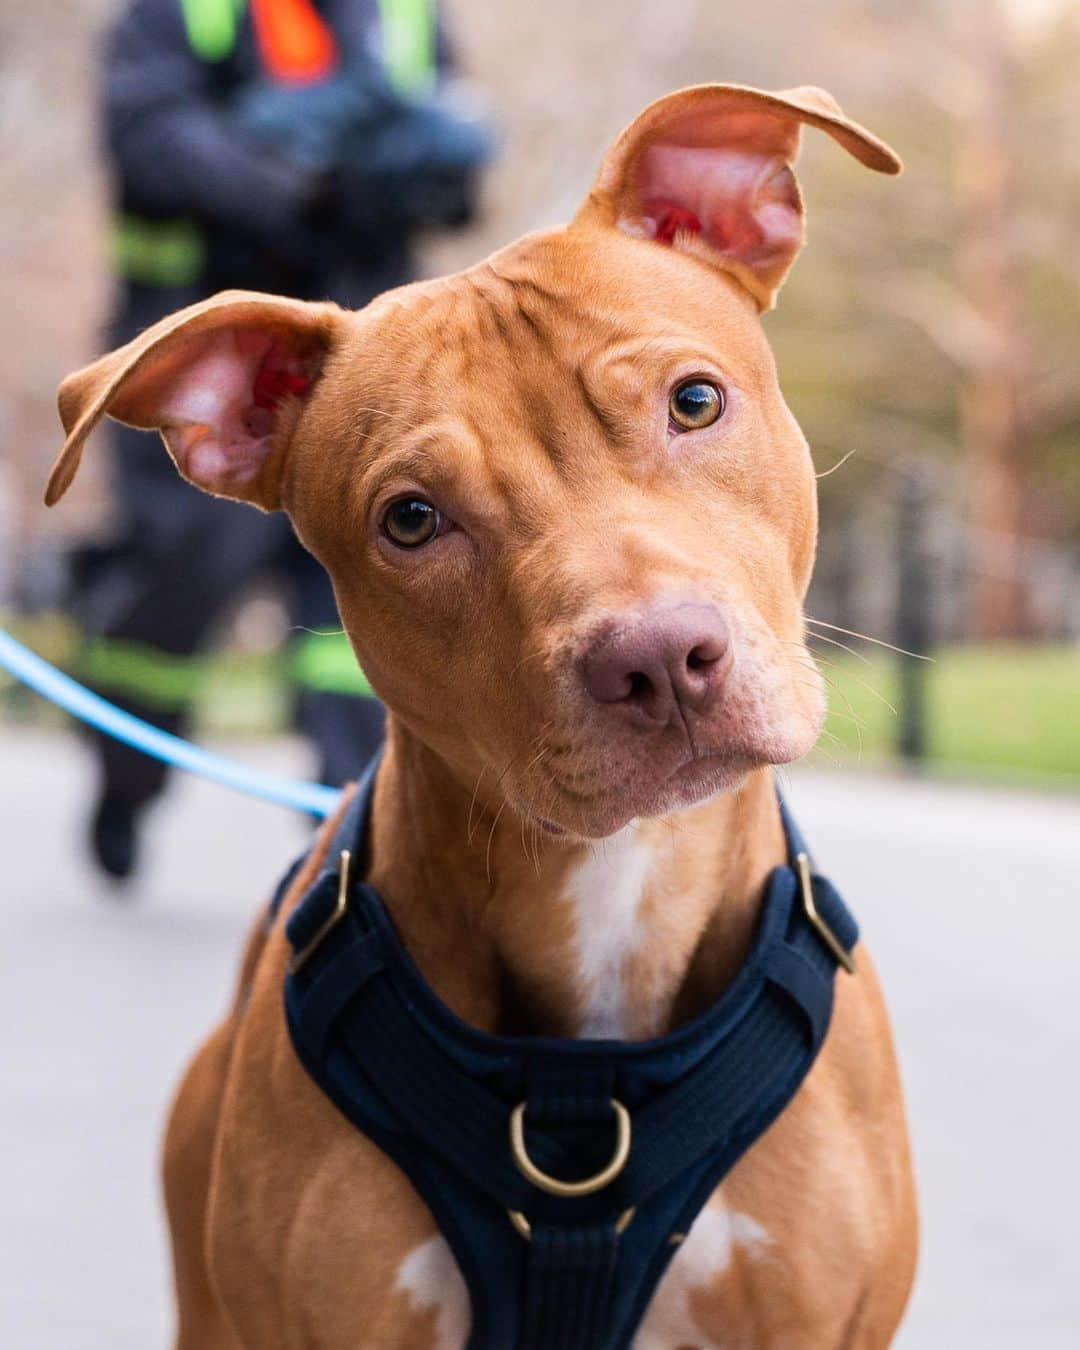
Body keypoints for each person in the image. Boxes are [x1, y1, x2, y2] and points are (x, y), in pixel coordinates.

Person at [73, 0, 490, 880]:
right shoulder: (182, 14)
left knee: (369, 592)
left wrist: (414, 169)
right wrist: (289, 176)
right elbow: (149, 141)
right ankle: (125, 778)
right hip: (210, 358)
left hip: (367, 363)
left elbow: (453, 165)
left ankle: (349, 835)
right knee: (182, 583)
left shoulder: (408, 18)